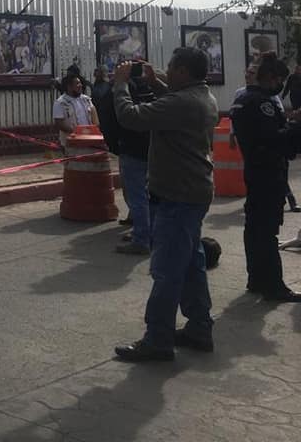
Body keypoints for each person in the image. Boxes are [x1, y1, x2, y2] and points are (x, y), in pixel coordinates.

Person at [111, 48, 219, 362]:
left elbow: (130, 117)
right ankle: (200, 326)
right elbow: (172, 102)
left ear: (183, 71)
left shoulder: (182, 102)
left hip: (177, 197)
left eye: (170, 68)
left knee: (167, 271)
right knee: (191, 266)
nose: (165, 72)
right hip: (192, 193)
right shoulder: (203, 96)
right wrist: (155, 82)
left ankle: (157, 339)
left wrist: (121, 84)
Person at [230, 54, 301, 302]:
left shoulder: (243, 100)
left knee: (254, 228)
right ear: (271, 78)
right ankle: (274, 286)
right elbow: (276, 140)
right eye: (280, 78)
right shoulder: (263, 104)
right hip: (269, 172)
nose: (281, 83)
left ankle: (256, 278)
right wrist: (296, 127)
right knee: (268, 231)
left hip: (255, 170)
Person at [95, 76, 154, 255]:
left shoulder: (120, 96)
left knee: (137, 196)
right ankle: (147, 231)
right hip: (152, 150)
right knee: (149, 194)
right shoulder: (152, 94)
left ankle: (142, 238)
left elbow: (109, 120)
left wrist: (115, 146)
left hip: (131, 149)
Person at [235, 64, 300, 213]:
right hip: (266, 169)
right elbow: (274, 137)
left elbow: (278, 120)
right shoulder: (259, 101)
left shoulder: (257, 98)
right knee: (265, 223)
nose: (279, 84)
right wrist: (295, 126)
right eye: (277, 79)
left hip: (258, 169)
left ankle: (289, 200)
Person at [52, 73, 99, 153]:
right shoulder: (60, 103)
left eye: (80, 83)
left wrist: (93, 133)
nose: (80, 85)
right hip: (71, 144)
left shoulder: (86, 100)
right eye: (77, 83)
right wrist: (78, 133)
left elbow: (95, 119)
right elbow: (60, 124)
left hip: (90, 141)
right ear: (69, 87)